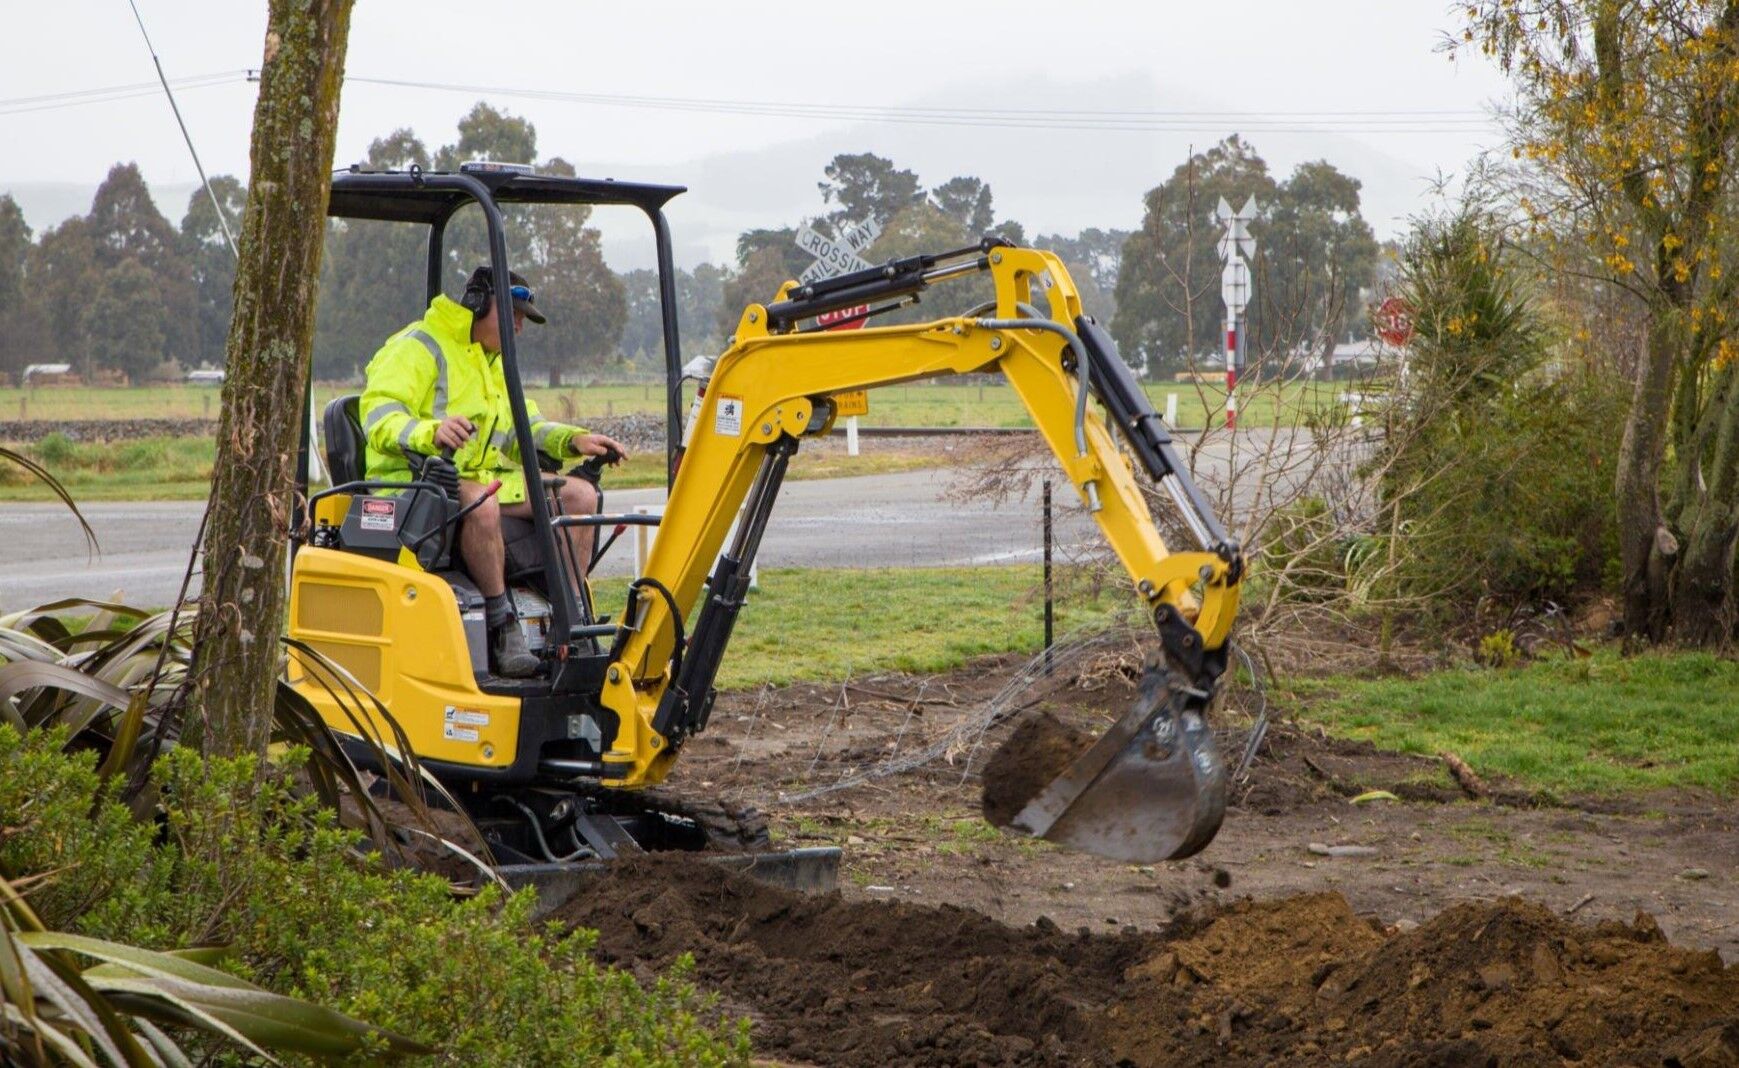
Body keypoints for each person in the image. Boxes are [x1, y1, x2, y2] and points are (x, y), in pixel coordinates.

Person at [360, 265, 628, 677]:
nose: (519, 327)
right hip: (413, 486)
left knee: (579, 496)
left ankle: (570, 623)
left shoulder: (493, 364)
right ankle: (504, 627)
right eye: (515, 315)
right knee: (482, 502)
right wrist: (432, 432)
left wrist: (574, 440)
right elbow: (378, 416)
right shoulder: (417, 347)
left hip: (473, 481)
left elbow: (525, 430)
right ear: (479, 304)